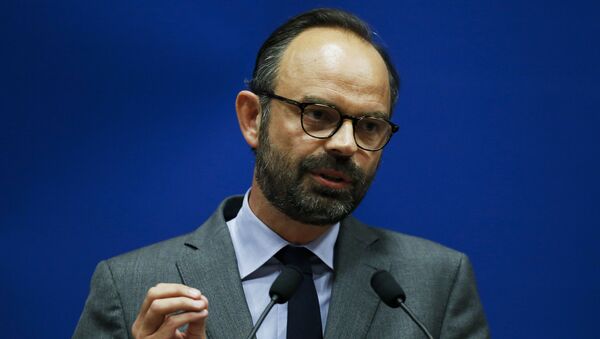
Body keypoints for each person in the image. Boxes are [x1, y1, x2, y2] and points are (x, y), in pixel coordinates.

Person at [74, 8, 490, 339]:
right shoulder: (128, 288)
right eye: (319, 114)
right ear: (253, 118)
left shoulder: (435, 284)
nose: (346, 145)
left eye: (369, 126)